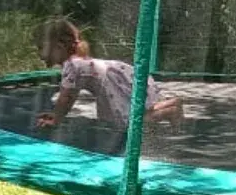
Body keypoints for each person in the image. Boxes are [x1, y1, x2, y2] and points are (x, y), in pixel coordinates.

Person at [36, 18, 182, 142]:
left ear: (59, 47)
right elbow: (69, 97)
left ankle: (168, 111)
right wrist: (56, 115)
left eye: (41, 48)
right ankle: (171, 105)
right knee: (133, 116)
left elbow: (65, 98)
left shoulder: (72, 66)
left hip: (112, 85)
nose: (39, 54)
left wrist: (55, 120)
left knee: (128, 125)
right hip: (118, 77)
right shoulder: (76, 63)